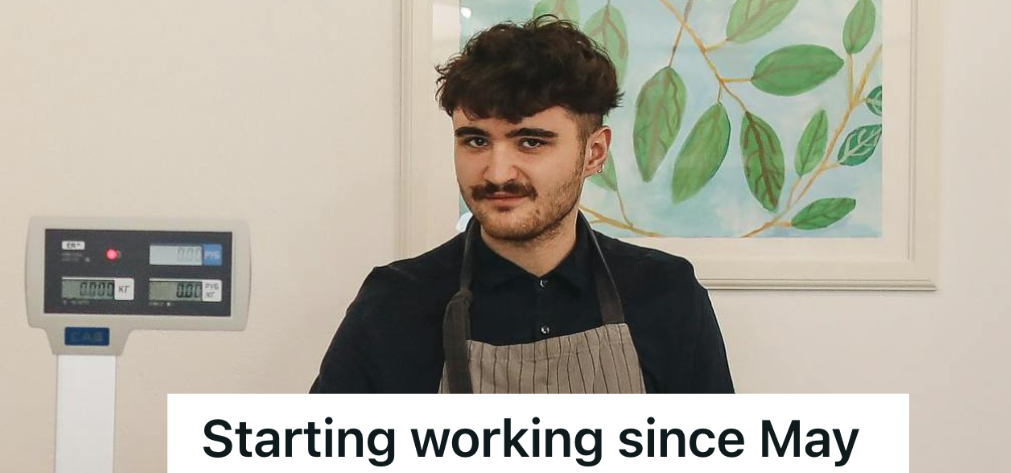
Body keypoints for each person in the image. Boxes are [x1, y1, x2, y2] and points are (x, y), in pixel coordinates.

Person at [311, 17, 733, 394]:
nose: (497, 173)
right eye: (476, 140)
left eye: (531, 141)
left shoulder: (667, 294)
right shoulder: (394, 304)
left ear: (595, 153)